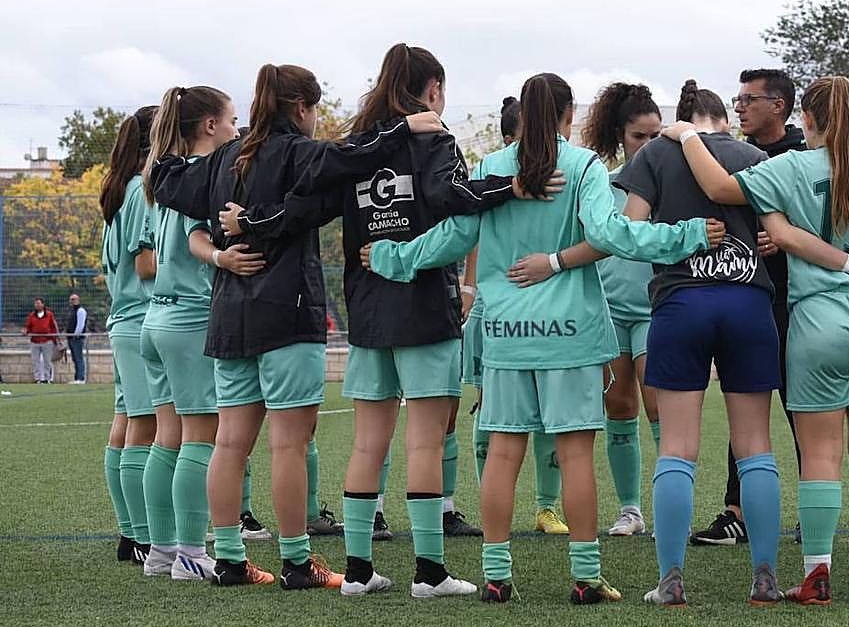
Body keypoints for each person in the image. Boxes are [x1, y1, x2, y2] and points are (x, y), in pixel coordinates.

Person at [364, 72, 723, 604]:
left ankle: (495, 575)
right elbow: (611, 234)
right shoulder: (581, 166)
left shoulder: (491, 168)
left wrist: (392, 257)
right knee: (576, 456)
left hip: (507, 334)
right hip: (571, 336)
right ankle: (584, 577)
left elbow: (454, 236)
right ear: (567, 114)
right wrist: (689, 233)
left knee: (504, 453)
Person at [226, 44, 540, 597]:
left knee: (368, 444)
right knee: (423, 443)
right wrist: (510, 186)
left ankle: (360, 573)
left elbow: (301, 208)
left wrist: (247, 221)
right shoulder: (433, 138)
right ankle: (430, 574)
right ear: (434, 90)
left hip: (367, 310)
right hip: (423, 310)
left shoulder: (359, 145)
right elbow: (453, 198)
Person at [152, 63, 441, 589]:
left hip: (231, 316)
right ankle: (296, 561)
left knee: (230, 443)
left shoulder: (221, 159)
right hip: (288, 312)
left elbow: (165, 180)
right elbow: (350, 154)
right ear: (303, 109)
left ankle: (231, 561)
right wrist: (405, 128)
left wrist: (169, 137)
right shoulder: (295, 152)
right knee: (288, 443)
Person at [666, 76, 849, 605]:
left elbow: (718, 188)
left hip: (817, 320)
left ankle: (816, 573)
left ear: (807, 116)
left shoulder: (791, 166)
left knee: (820, 453)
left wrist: (688, 136)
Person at [601, 80, 781, 607]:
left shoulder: (657, 153)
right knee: (755, 446)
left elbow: (627, 232)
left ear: (679, 121)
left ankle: (672, 580)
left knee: (677, 448)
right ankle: (765, 577)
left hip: (681, 305)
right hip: (749, 304)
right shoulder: (751, 153)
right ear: (724, 117)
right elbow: (777, 232)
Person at [507, 82, 664, 536]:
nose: (648, 145)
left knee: (659, 406)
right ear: (620, 137)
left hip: (656, 309)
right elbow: (592, 240)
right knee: (618, 406)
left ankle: (668, 506)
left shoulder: (671, 182)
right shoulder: (602, 181)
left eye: (656, 135)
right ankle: (630, 510)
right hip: (609, 310)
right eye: (639, 136)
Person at [138, 84, 264, 581]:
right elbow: (196, 239)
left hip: (156, 318)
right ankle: (190, 552)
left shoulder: (162, 176)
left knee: (167, 439)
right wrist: (222, 256)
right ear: (210, 126)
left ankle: (161, 551)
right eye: (232, 121)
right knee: (199, 438)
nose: (237, 130)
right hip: (189, 318)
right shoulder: (200, 175)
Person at [691, 68, 808, 547]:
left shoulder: (803, 158)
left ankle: (813, 508)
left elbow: (824, 225)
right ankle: (735, 513)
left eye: (747, 99)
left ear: (778, 105)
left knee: (803, 411)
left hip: (798, 305)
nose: (737, 107)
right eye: (737, 100)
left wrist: (787, 241)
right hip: (748, 302)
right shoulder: (731, 155)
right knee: (746, 411)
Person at [464, 97, 567, 537]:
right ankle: (493, 530)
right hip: (497, 307)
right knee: (492, 412)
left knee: (550, 413)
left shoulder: (567, 170)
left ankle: (546, 508)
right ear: (510, 140)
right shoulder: (491, 171)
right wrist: (469, 288)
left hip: (548, 308)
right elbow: (467, 234)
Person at [99, 106, 160, 564]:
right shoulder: (141, 191)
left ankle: (129, 535)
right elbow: (145, 263)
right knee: (144, 424)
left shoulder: (121, 190)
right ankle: (141, 536)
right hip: (138, 319)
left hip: (124, 318)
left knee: (125, 423)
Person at [24, 298, 58, 384]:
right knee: (35, 361)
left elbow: (53, 327)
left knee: (47, 361)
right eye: (36, 304)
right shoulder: (31, 315)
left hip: (47, 341)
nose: (37, 305)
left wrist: (55, 339)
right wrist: (25, 330)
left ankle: (47, 379)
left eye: (38, 303)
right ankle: (37, 379)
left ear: (43, 304)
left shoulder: (49, 315)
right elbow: (28, 326)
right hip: (35, 341)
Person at [64, 293, 88, 383]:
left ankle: (81, 378)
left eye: (74, 299)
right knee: (75, 358)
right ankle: (77, 378)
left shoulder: (80, 311)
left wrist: (75, 335)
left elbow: (80, 325)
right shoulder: (72, 311)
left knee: (78, 358)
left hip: (77, 338)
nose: (72, 301)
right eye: (71, 299)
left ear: (78, 300)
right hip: (71, 338)